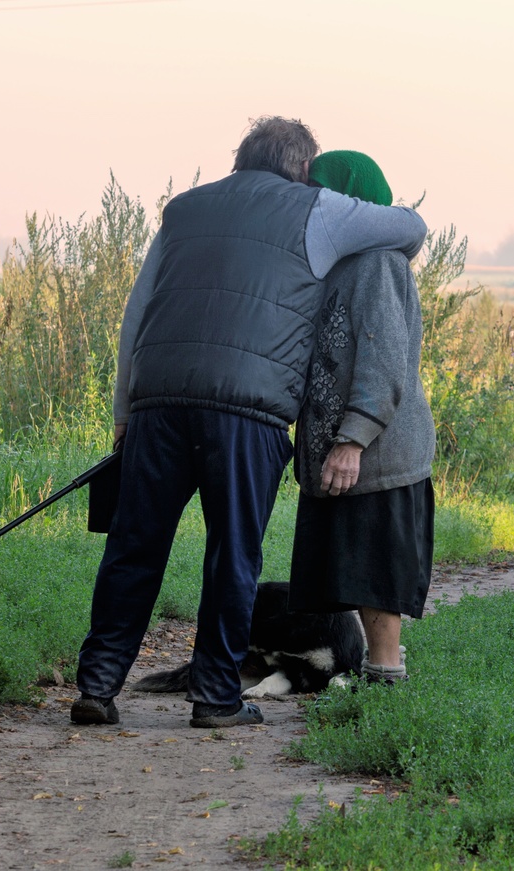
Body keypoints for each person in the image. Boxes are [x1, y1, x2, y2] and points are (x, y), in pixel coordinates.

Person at [71, 119, 427, 729]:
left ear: (239, 159)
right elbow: (412, 226)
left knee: (134, 547)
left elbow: (137, 314)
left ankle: (98, 689)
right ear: (299, 168)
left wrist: (125, 414)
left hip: (158, 403)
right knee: (232, 555)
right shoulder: (317, 207)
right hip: (248, 414)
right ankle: (215, 699)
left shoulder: (182, 210)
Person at [287, 151, 436, 684]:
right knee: (351, 569)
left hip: (378, 455)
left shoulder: (377, 261)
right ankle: (375, 679)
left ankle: (386, 682)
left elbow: (385, 360)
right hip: (349, 452)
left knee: (377, 573)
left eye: (321, 192)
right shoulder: (342, 263)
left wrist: (352, 439)